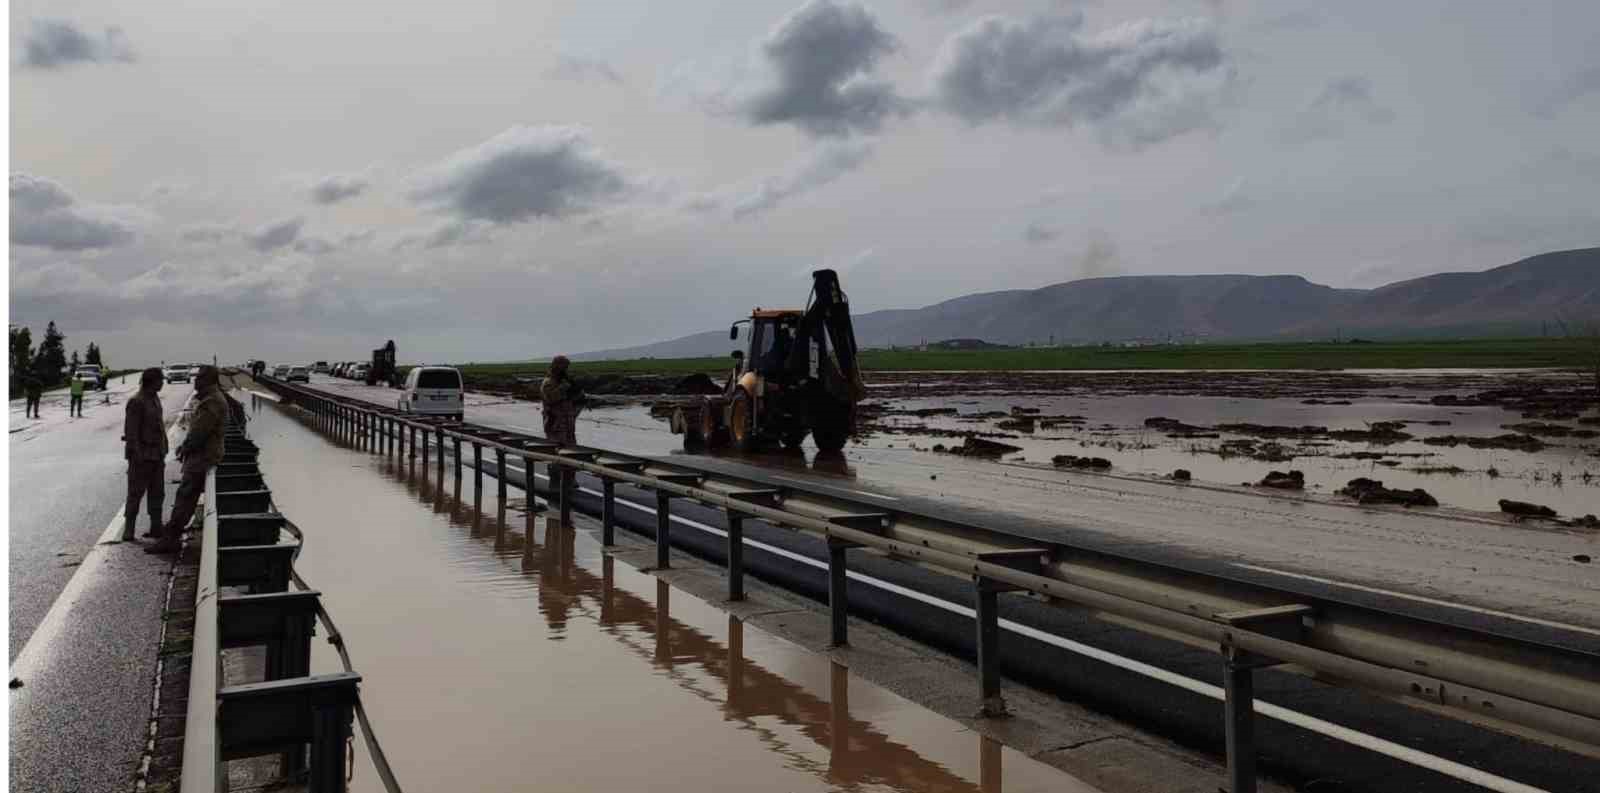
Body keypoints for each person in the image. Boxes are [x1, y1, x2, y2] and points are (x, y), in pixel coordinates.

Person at [146, 366, 227, 554]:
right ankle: (171, 535)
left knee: (185, 496)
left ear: (209, 380)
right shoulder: (210, 399)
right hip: (205, 454)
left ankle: (170, 538)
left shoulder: (212, 401)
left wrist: (185, 447)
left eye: (199, 378)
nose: (195, 381)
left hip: (203, 456)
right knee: (186, 496)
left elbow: (200, 432)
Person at [122, 368, 168, 541]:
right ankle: (129, 530)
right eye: (160, 380)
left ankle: (156, 527)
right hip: (142, 455)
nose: (162, 382)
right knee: (135, 493)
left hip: (157, 454)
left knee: (158, 492)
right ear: (151, 381)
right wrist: (137, 455)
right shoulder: (137, 401)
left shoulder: (154, 398)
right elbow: (131, 432)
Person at [539, 355, 584, 446]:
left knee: (570, 448)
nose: (565, 370)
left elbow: (574, 402)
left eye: (566, 368)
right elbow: (551, 399)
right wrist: (564, 387)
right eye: (563, 367)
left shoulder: (565, 381)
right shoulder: (548, 383)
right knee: (556, 448)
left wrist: (579, 398)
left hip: (568, 425)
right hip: (555, 424)